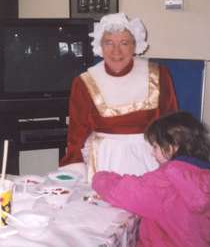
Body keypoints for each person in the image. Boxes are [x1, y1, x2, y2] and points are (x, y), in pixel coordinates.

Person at [59, 12, 178, 181]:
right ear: (100, 45)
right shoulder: (85, 82)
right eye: (109, 43)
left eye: (124, 43)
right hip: (104, 160)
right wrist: (74, 166)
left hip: (148, 157)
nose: (116, 51)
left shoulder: (158, 75)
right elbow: (76, 132)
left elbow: (172, 123)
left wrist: (172, 158)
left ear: (135, 45)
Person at [92, 111, 210, 247]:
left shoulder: (168, 179)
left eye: (155, 146)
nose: (152, 153)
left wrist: (99, 177)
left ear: (172, 147)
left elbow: (125, 191)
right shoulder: (206, 176)